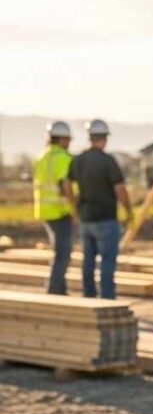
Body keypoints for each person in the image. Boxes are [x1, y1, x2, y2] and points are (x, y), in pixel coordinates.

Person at [69, 119, 132, 299]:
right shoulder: (107, 161)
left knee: (88, 261)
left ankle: (89, 297)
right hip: (106, 218)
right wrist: (128, 210)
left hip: (86, 218)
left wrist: (74, 207)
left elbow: (66, 184)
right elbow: (120, 189)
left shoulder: (78, 160)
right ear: (104, 138)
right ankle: (107, 298)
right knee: (107, 260)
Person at [32, 120, 76, 295]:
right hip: (60, 212)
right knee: (63, 255)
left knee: (60, 252)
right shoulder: (62, 157)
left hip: (45, 212)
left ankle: (60, 291)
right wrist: (74, 209)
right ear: (62, 139)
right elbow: (65, 185)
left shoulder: (42, 156)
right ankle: (54, 292)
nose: (69, 143)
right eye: (68, 139)